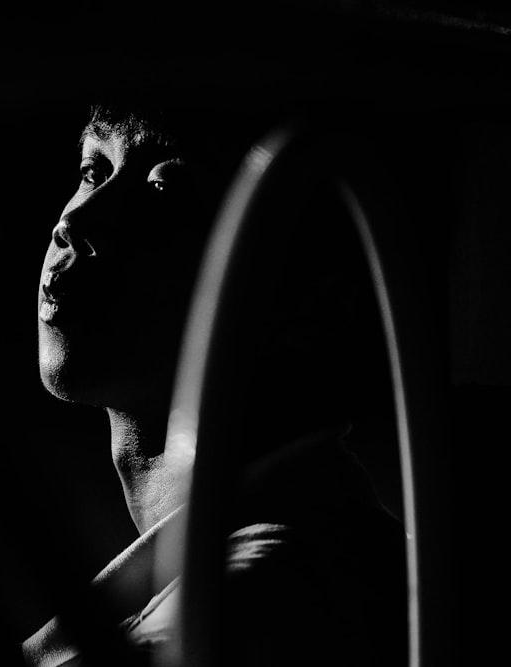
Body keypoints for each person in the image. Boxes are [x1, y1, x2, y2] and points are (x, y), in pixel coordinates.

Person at [24, 103, 407, 666]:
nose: (77, 221)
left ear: (313, 297)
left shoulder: (259, 606)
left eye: (165, 192)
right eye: (93, 171)